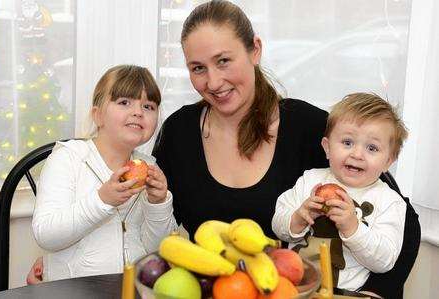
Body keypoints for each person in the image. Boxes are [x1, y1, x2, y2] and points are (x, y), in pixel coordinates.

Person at [29, 2, 420, 297]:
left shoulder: (310, 127)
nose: (213, 81)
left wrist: (373, 294)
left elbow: (397, 216)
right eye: (198, 68)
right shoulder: (180, 131)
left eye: (224, 61)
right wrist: (67, 259)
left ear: (254, 50)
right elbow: (149, 217)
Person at [28, 65, 177, 282]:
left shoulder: (150, 167)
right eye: (124, 102)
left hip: (130, 289)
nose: (138, 111)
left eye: (148, 106)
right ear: (98, 116)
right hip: (71, 291)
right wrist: (102, 200)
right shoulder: (68, 159)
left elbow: (157, 250)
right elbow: (46, 235)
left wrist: (158, 203)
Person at [272, 93, 407, 291]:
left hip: (346, 293)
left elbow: (385, 261)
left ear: (388, 161)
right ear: (327, 148)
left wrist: (353, 227)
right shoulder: (309, 180)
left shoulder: (389, 202)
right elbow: (277, 225)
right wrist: (299, 218)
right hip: (297, 287)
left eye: (372, 147)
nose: (357, 154)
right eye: (347, 142)